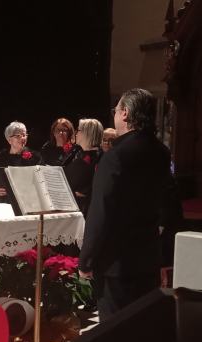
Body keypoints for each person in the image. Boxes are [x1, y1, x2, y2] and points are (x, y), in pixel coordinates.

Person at [78, 88, 173, 321]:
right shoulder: (161, 153)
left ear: (126, 114)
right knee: (141, 329)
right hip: (148, 258)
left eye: (116, 110)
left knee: (114, 335)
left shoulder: (116, 156)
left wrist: (87, 260)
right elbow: (168, 205)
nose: (114, 115)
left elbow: (101, 211)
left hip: (116, 264)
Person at [0, 121, 41, 215]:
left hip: (28, 204)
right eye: (18, 136)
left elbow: (40, 180)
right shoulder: (0, 158)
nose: (22, 138)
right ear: (9, 140)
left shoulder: (35, 157)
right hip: (5, 204)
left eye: (24, 135)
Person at [63, 118, 103, 215]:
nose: (76, 133)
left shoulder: (99, 158)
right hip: (73, 208)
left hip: (86, 211)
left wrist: (86, 193)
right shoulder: (78, 153)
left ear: (87, 133)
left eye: (79, 130)